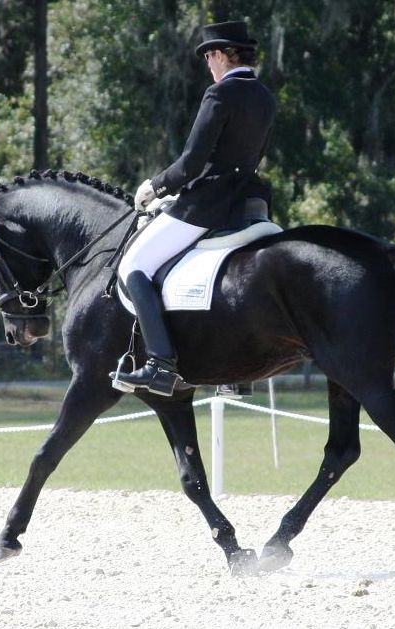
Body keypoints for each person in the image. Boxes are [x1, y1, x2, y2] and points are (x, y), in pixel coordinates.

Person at [111, 20, 276, 396]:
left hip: (208, 203)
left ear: (219, 54)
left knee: (135, 266)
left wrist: (155, 186)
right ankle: (238, 370)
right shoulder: (265, 96)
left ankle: (159, 365)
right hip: (248, 202)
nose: (208, 66)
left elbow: (191, 163)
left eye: (208, 58)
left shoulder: (220, 94)